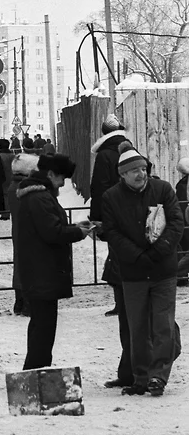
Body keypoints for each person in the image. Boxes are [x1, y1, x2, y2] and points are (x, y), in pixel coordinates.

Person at [101, 141, 183, 396]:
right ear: (123, 175)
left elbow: (176, 224)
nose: (141, 173)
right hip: (134, 272)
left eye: (143, 168)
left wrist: (158, 252)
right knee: (137, 328)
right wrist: (137, 256)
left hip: (163, 271)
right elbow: (112, 232)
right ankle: (141, 377)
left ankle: (158, 376)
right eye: (134, 170)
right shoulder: (111, 197)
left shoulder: (163, 189)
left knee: (163, 325)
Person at [16, 154, 91, 369]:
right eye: (62, 178)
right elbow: (52, 232)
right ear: (50, 174)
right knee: (43, 328)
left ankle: (37, 371)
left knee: (42, 326)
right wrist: (78, 231)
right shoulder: (40, 197)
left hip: (40, 270)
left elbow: (50, 228)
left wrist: (77, 227)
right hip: (42, 271)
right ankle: (36, 373)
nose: (63, 183)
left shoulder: (39, 195)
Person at [90, 114, 130, 319]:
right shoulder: (130, 149)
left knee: (116, 257)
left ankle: (121, 303)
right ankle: (127, 302)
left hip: (112, 213)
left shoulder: (104, 155)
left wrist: (96, 217)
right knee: (125, 256)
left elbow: (99, 187)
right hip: (132, 213)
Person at [7, 153, 40, 316]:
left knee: (21, 264)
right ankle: (27, 302)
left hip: (20, 231)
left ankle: (20, 301)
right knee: (30, 266)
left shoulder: (15, 186)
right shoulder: (26, 189)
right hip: (30, 232)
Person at [0, 138, 15, 221]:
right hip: (13, 178)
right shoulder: (13, 156)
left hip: (2, 179)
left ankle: (5, 213)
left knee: (4, 196)